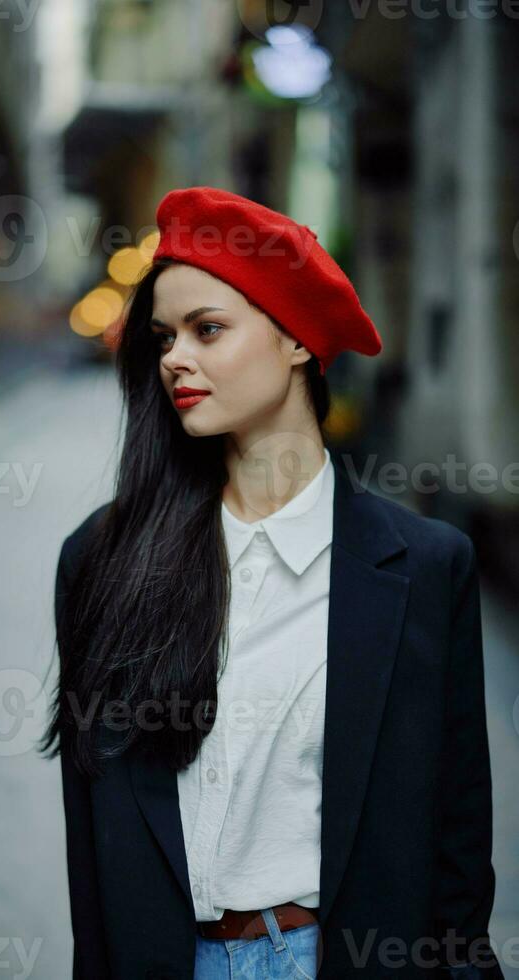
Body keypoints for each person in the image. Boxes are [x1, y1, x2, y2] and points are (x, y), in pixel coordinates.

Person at [40, 187, 504, 980]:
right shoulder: (103, 558)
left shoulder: (426, 567)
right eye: (163, 337)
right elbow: (93, 853)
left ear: (296, 340)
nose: (173, 358)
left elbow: (457, 850)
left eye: (207, 329)